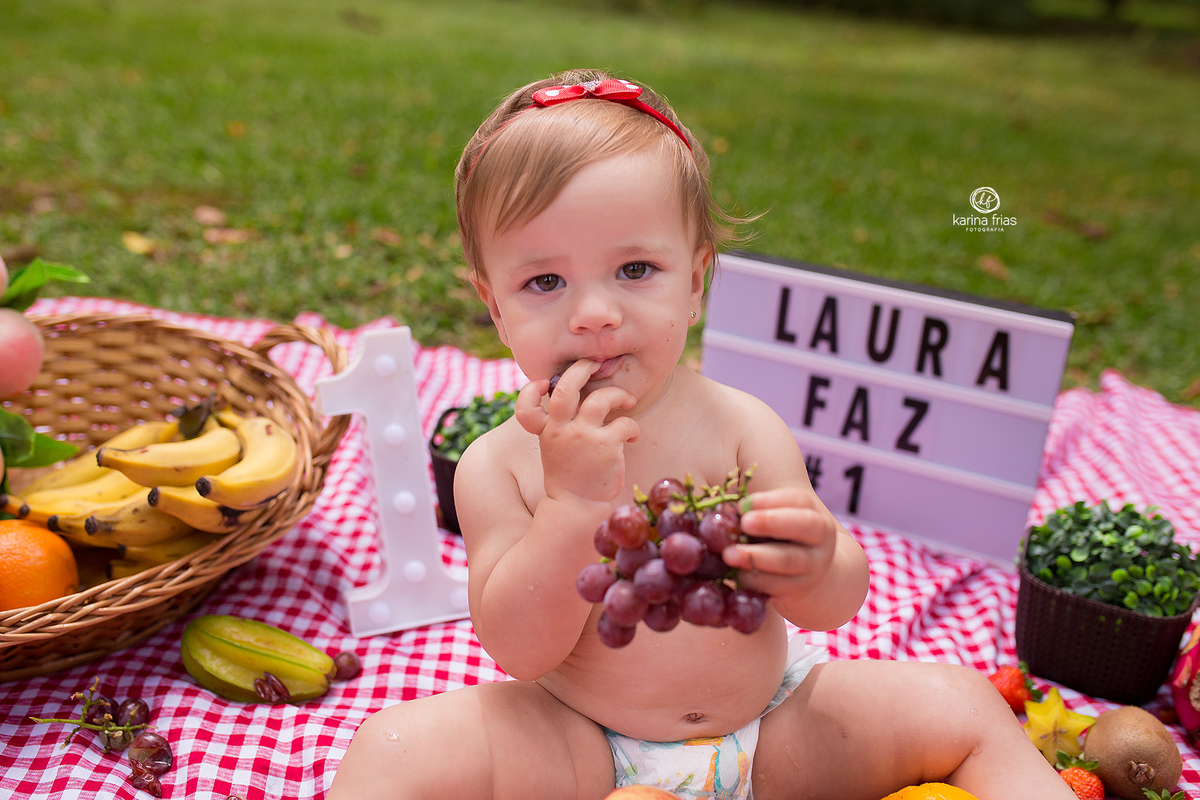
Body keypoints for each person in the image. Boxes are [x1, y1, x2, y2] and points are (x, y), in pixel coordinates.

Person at [329, 69, 1075, 800]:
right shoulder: (497, 466)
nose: (594, 312)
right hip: (579, 743)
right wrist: (571, 507)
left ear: (694, 284)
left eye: (634, 268)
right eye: (545, 283)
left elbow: (836, 600)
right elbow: (519, 650)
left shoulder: (742, 424)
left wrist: (817, 564)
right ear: (495, 307)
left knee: (962, 703)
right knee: (392, 752)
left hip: (775, 730)